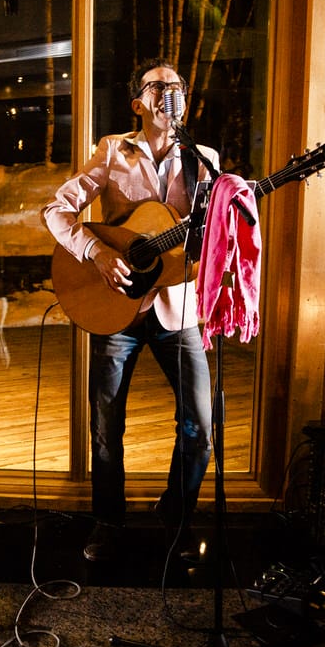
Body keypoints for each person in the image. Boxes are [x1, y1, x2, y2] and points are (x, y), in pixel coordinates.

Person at [42, 59, 219, 562]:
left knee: (200, 426)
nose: (170, 94)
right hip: (115, 305)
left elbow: (212, 236)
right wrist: (96, 252)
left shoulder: (203, 159)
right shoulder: (112, 151)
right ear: (138, 102)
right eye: (158, 87)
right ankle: (108, 520)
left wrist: (230, 219)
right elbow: (56, 210)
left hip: (177, 307)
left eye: (177, 87)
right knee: (106, 427)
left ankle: (177, 513)